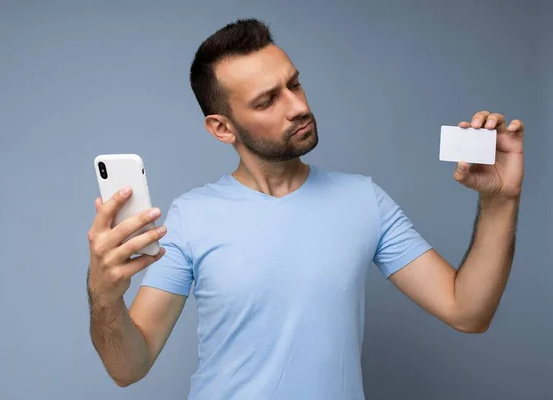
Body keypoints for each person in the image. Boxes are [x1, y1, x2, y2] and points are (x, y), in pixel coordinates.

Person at [86, 18, 524, 399]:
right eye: (266, 101)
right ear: (222, 128)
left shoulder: (363, 200)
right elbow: (129, 368)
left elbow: (467, 312)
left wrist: (500, 200)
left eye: (294, 84)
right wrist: (104, 296)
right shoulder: (191, 216)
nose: (298, 107)